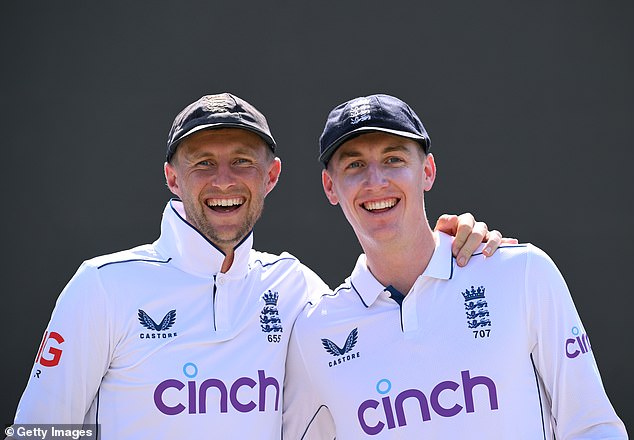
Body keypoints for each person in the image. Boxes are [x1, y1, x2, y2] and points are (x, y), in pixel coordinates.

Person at [10, 93, 507, 439]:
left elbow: (390, 325)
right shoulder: (103, 286)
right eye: (203, 163)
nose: (223, 181)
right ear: (171, 177)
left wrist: (463, 248)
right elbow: (39, 429)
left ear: (270, 176)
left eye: (242, 162)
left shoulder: (296, 289)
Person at [282, 94, 628, 439]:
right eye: (354, 165)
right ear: (330, 186)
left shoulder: (521, 272)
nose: (376, 181)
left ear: (427, 171)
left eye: (393, 159)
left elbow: (592, 425)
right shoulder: (315, 334)